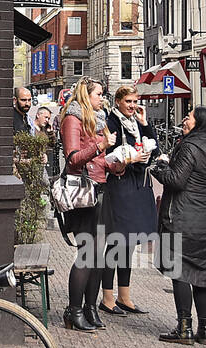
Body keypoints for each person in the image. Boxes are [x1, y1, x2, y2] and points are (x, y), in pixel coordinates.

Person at [149, 106, 206, 345]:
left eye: (189, 117)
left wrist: (161, 166)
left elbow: (176, 180)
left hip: (183, 216)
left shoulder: (190, 146)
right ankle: (205, 329)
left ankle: (184, 326)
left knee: (181, 272)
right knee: (203, 274)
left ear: (199, 123)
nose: (185, 120)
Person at [59, 78, 115, 333]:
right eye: (99, 94)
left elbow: (101, 160)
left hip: (100, 188)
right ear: (86, 95)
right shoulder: (73, 119)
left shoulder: (98, 119)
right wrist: (100, 145)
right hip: (83, 192)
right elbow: (73, 159)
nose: (102, 99)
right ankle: (74, 310)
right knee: (87, 253)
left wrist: (120, 162)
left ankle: (90, 308)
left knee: (99, 254)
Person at [99, 85, 157, 316]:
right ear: (118, 101)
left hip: (139, 186)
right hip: (121, 185)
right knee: (116, 241)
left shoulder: (136, 124)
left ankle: (125, 296)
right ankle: (107, 297)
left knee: (131, 242)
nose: (133, 106)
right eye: (128, 102)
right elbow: (108, 155)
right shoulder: (111, 122)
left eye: (135, 101)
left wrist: (145, 124)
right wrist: (130, 158)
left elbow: (155, 146)